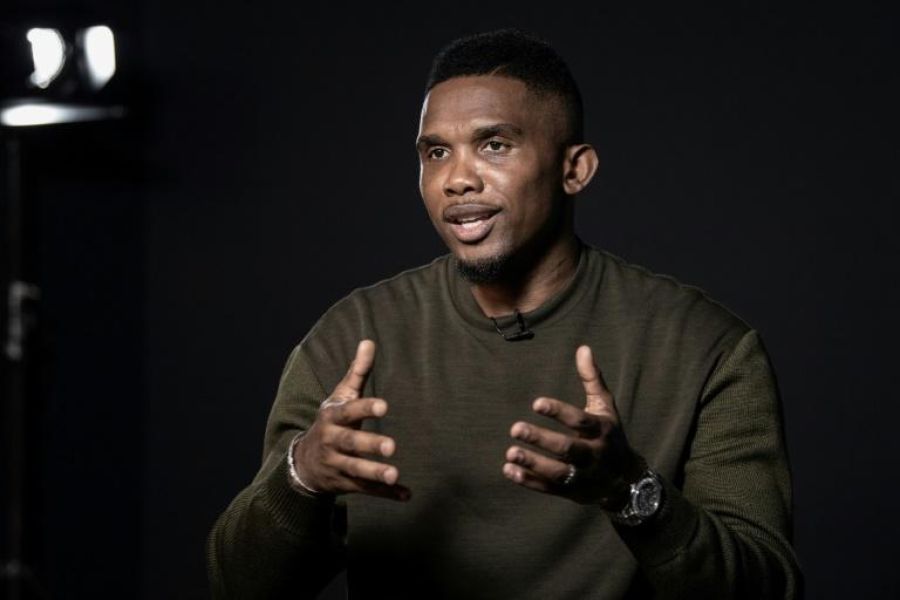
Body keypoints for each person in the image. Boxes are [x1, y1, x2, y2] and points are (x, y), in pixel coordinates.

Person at [207, 29, 802, 599]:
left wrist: (630, 492)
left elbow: (766, 587)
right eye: (436, 152)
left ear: (574, 169)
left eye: (494, 145)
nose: (457, 179)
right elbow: (237, 585)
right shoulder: (350, 340)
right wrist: (302, 477)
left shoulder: (706, 349)